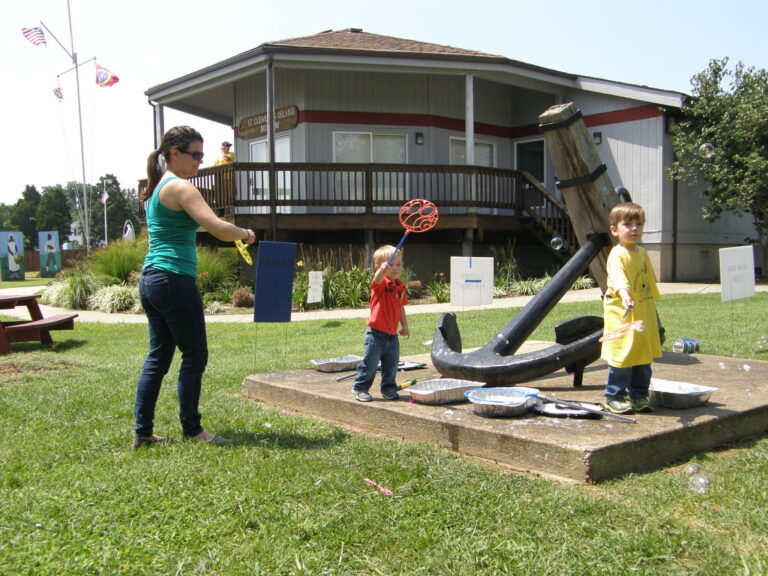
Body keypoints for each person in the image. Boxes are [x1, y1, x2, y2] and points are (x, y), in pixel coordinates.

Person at [133, 126, 256, 449]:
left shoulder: (157, 187)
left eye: (203, 155)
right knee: (194, 355)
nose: (200, 161)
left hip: (151, 280)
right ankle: (193, 429)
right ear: (174, 153)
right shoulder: (182, 187)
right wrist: (244, 232)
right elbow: (217, 227)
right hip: (174, 279)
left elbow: (194, 223)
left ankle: (142, 432)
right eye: (195, 155)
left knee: (158, 358)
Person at [601, 202, 662, 414]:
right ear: (615, 230)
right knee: (623, 355)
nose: (634, 228)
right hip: (623, 315)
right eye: (628, 224)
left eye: (639, 224)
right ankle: (614, 396)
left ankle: (638, 395)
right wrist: (625, 295)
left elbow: (646, 281)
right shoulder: (617, 255)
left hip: (642, 313)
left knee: (643, 356)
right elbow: (618, 278)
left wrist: (650, 303)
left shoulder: (642, 253)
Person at [351, 245, 410, 402]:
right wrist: (381, 271)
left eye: (399, 264)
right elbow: (376, 278)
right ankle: (360, 388)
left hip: (392, 336)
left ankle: (388, 388)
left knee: (391, 366)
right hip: (375, 335)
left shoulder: (400, 286)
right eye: (391, 264)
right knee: (369, 365)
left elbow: (401, 308)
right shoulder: (380, 284)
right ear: (380, 267)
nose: (396, 268)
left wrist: (404, 326)